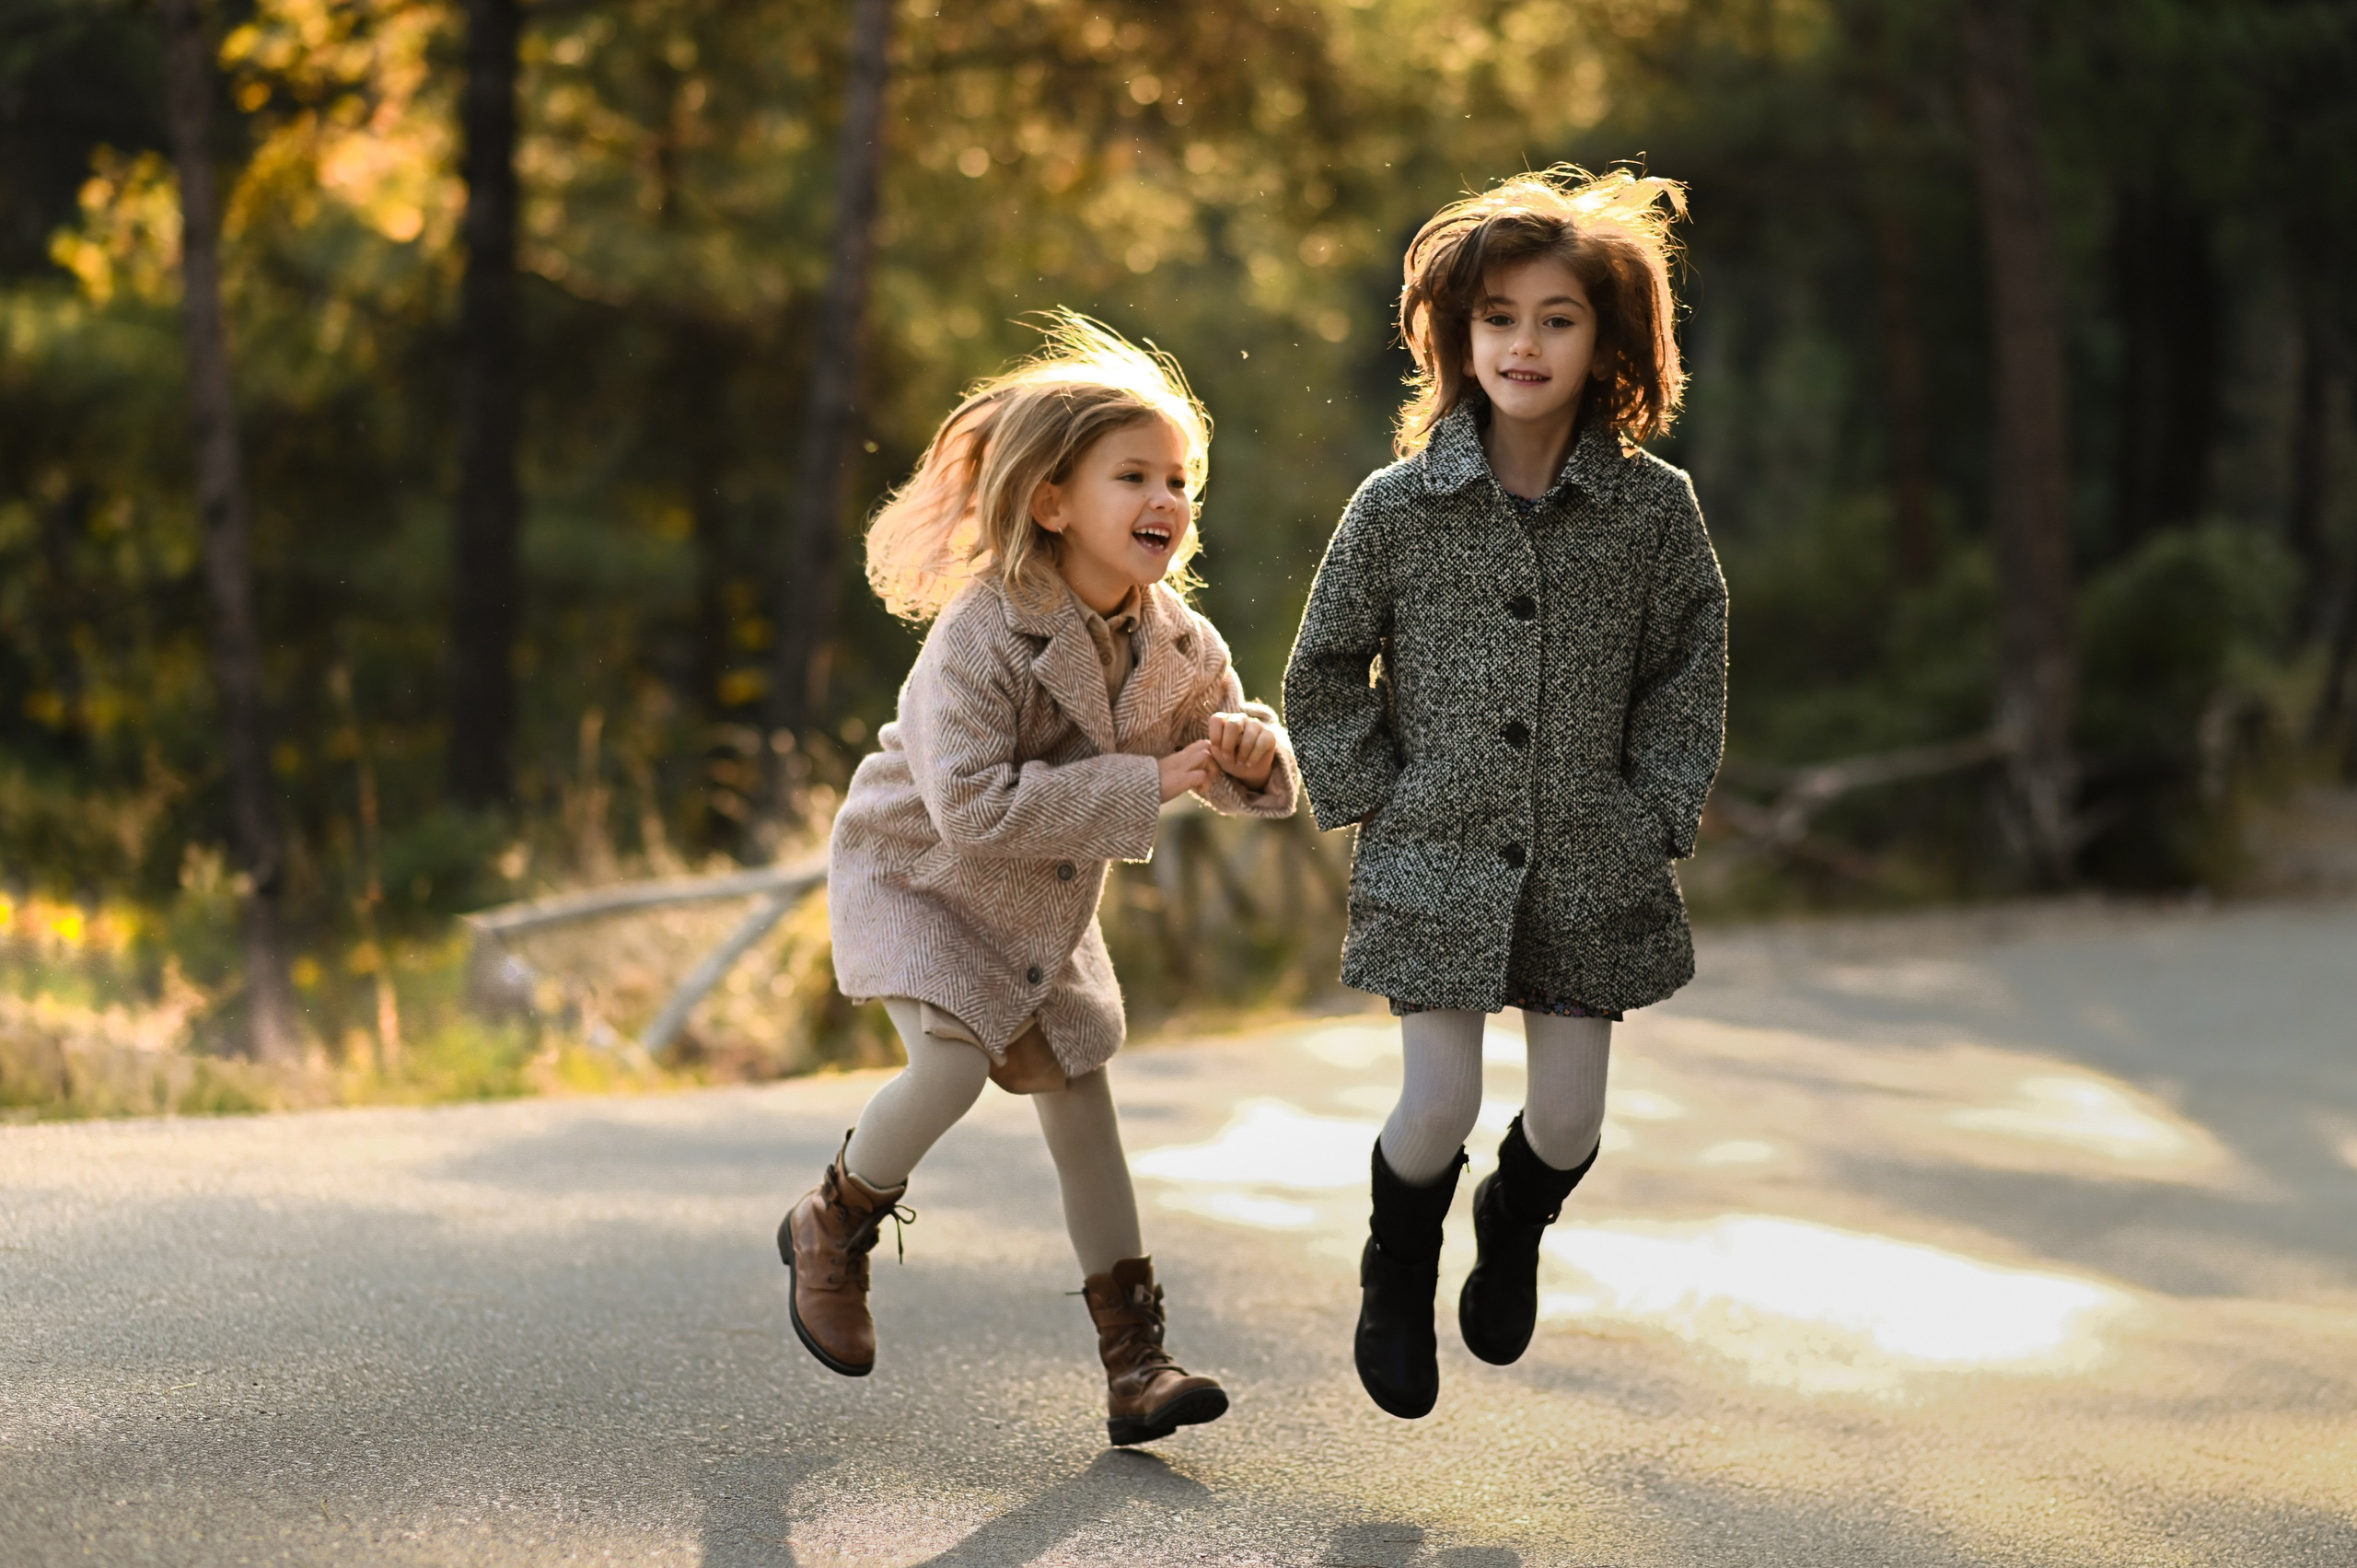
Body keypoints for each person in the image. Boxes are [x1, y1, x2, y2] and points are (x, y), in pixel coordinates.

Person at [781, 314, 1297, 1447]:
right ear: (1053, 501)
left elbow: (1221, 748)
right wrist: (1149, 778)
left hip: (1041, 909)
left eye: (1179, 479)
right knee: (950, 1066)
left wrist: (1254, 753)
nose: (1165, 498)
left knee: (1083, 1106)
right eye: (1134, 475)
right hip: (922, 874)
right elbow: (969, 806)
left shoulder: (1180, 640)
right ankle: (833, 1219)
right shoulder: (982, 631)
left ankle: (1136, 1363)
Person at [1282, 168, 1726, 1420]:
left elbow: (1690, 665)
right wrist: (1382, 794)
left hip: (1592, 860)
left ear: (1607, 340)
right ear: (1456, 336)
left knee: (1570, 1120)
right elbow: (1323, 669)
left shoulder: (1653, 512)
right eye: (1497, 317)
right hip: (1434, 851)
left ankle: (1513, 1215)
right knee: (1440, 1099)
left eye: (1556, 318)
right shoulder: (1397, 508)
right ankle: (1396, 1266)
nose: (1523, 344)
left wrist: (1654, 812)